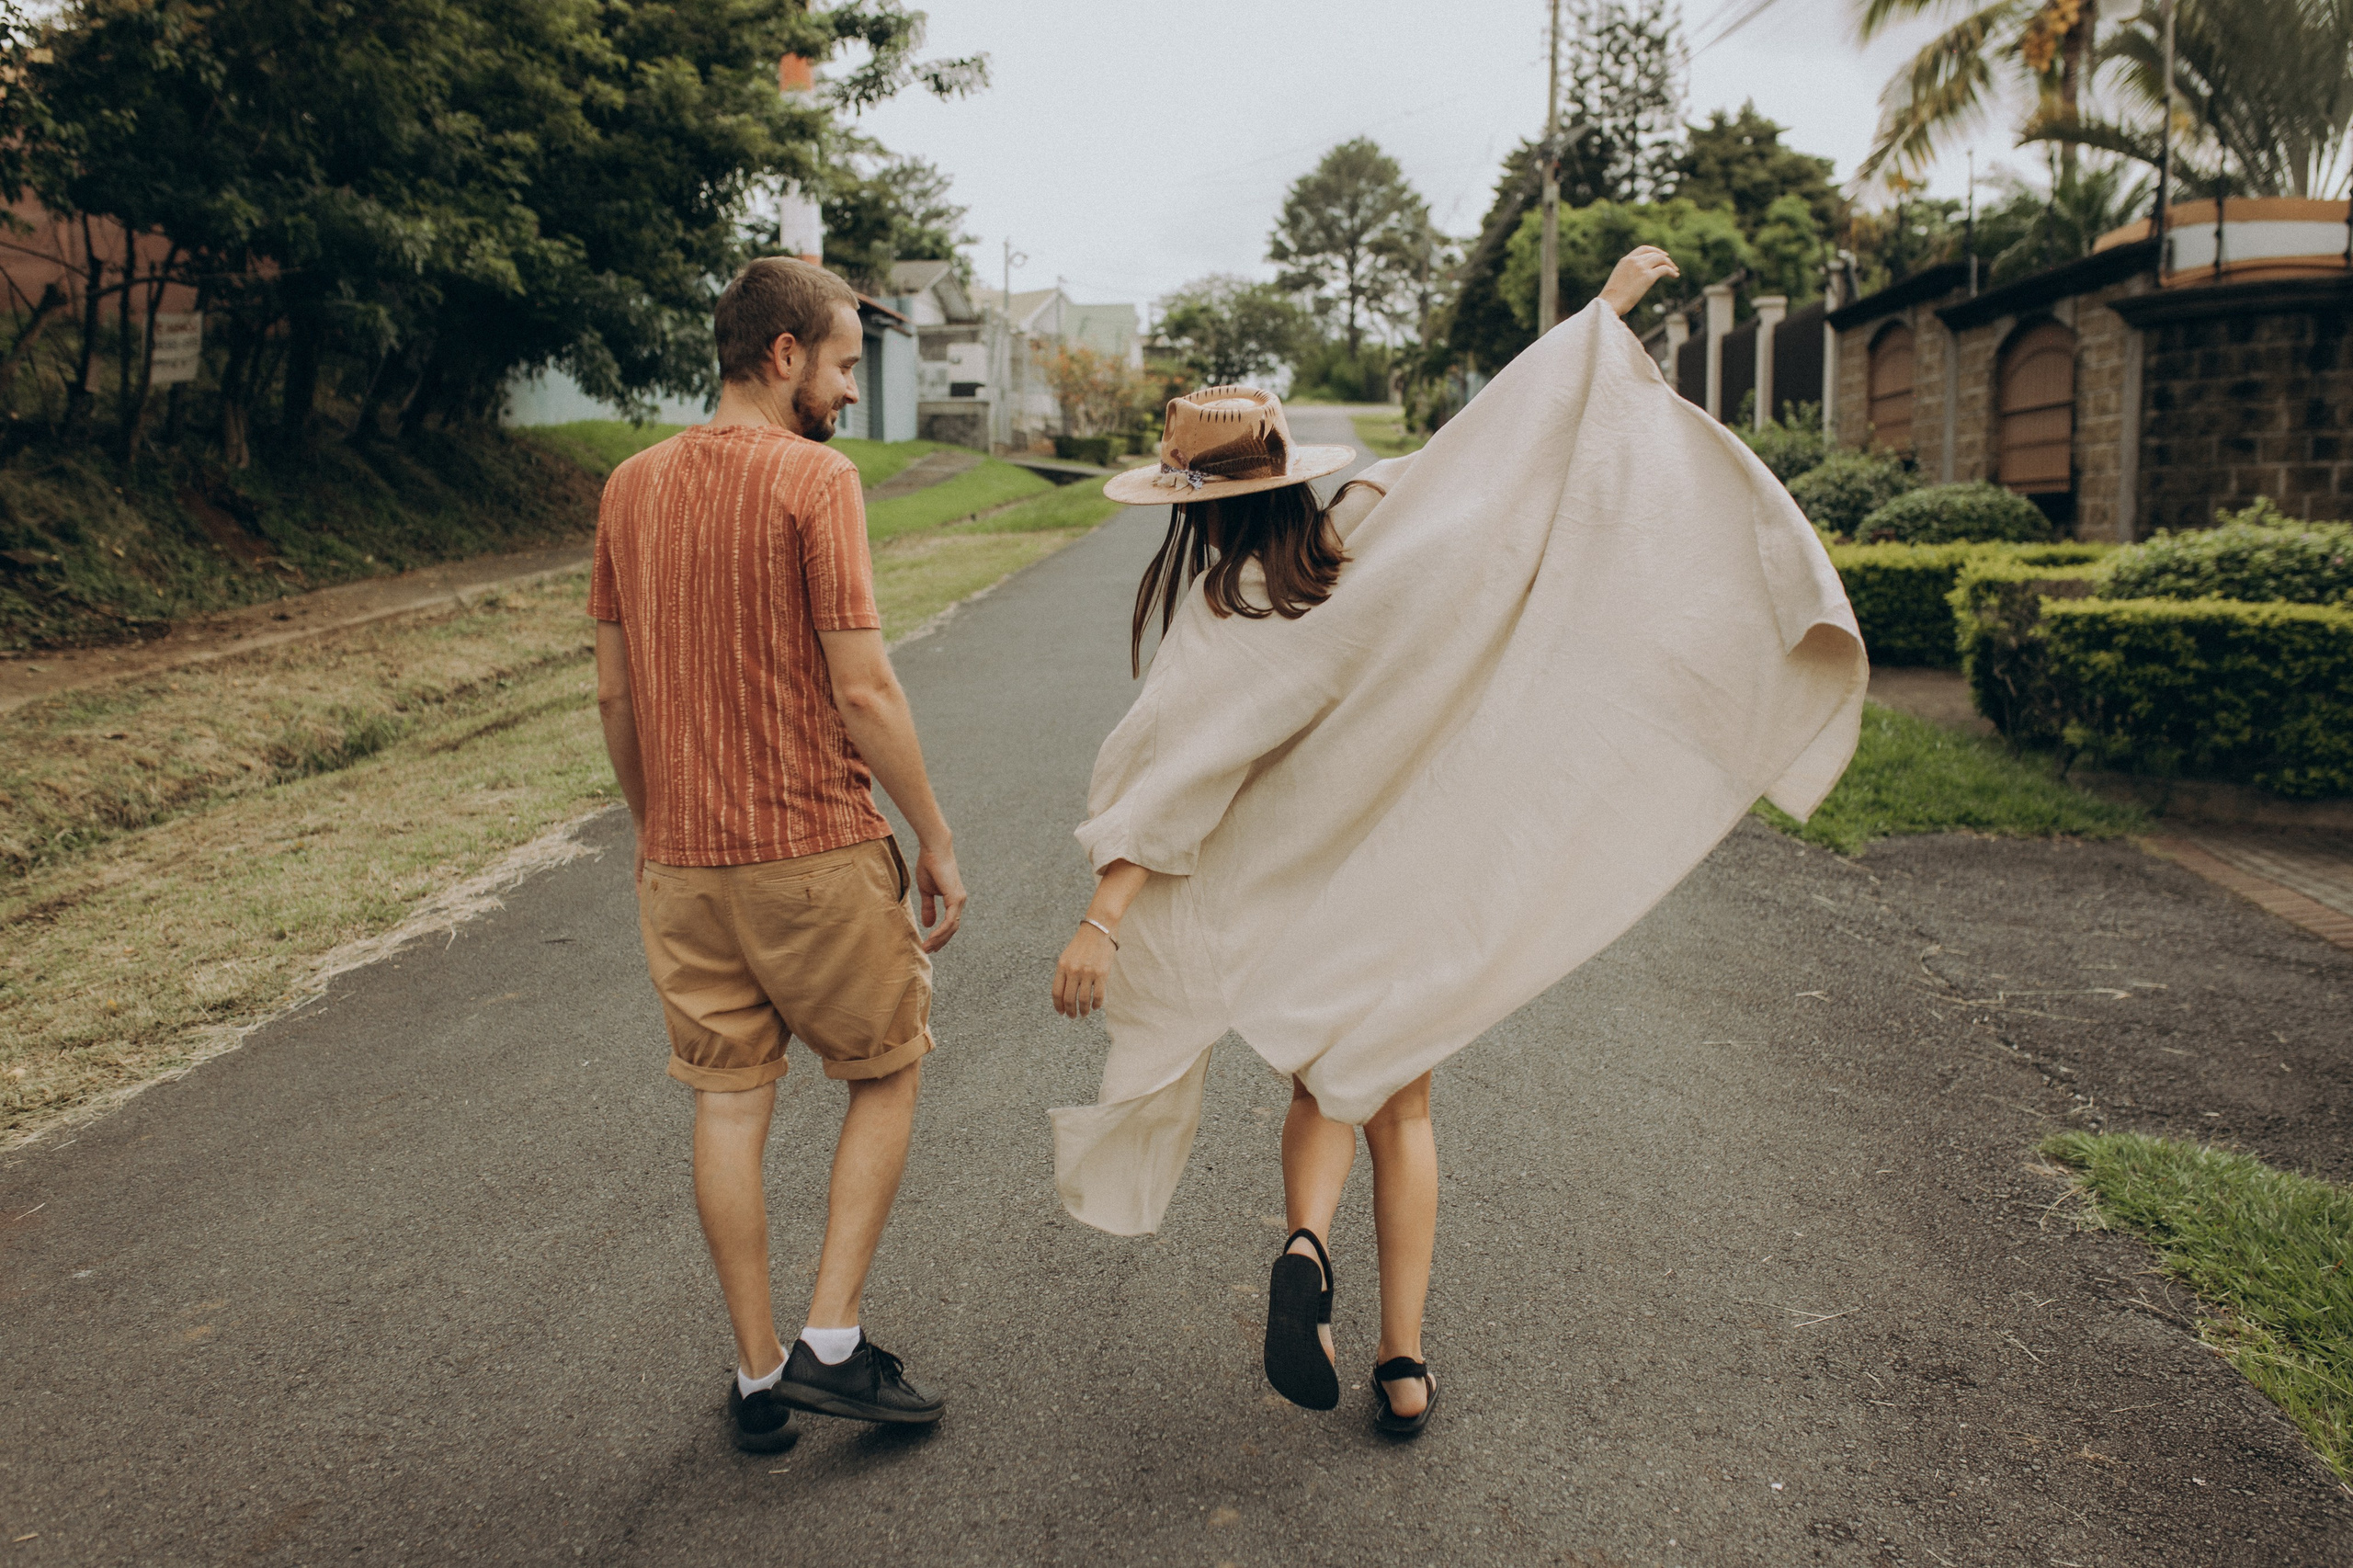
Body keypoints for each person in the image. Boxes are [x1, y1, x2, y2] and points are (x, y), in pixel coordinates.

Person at [1048, 246, 1868, 1438]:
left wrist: (1103, 916)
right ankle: (1405, 1360)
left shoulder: (1228, 619)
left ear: (1193, 507)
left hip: (1306, 904)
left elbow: (1176, 781)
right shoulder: (1376, 534)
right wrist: (1603, 316)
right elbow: (1498, 454)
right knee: (1408, 1111)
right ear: (1287, 471)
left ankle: (1306, 1243)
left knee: (1327, 1081)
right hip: (1419, 876)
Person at [592, 256, 969, 1454]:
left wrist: (658, 828)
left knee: (727, 1105)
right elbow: (862, 684)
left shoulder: (629, 487)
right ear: (783, 355)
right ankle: (834, 1343)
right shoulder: (816, 479)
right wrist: (934, 835)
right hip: (810, 844)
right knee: (887, 1066)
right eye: (847, 364)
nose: (854, 391)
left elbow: (613, 690)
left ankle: (759, 1378)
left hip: (683, 864)